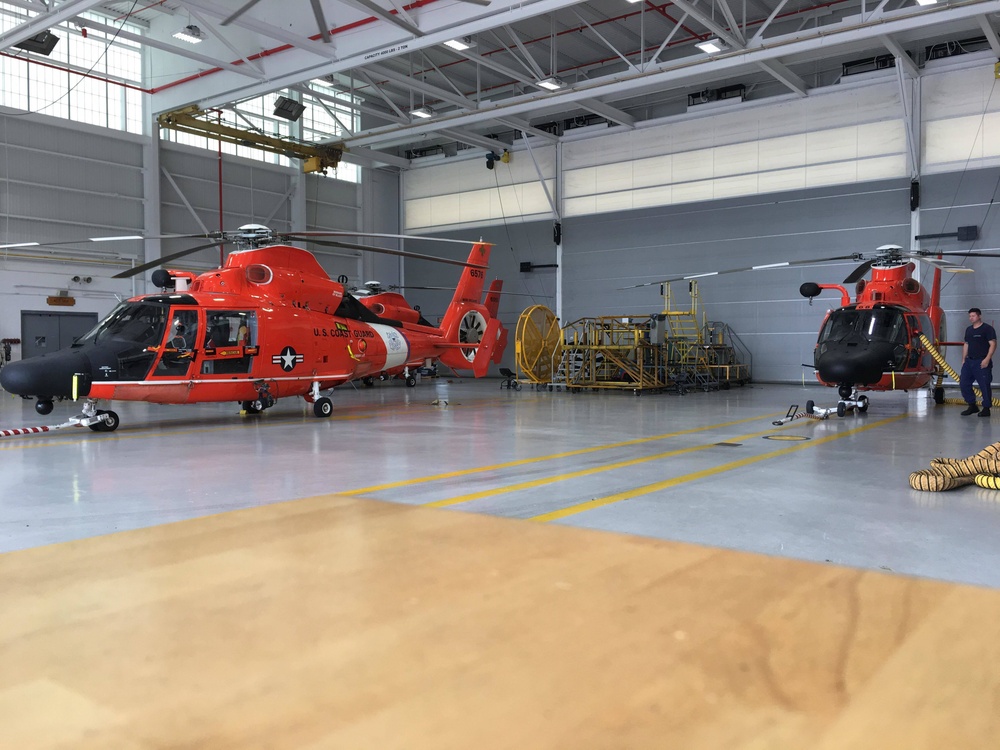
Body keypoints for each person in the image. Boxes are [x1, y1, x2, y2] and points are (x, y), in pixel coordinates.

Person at [960, 307, 997, 417]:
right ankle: (972, 405)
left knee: (984, 385)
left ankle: (986, 408)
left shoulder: (987, 329)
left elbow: (993, 344)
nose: (971, 318)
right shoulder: (969, 330)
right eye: (970, 316)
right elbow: (966, 344)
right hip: (969, 362)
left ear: (979, 316)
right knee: (964, 383)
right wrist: (963, 359)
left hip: (981, 361)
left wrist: (987, 359)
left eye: (973, 316)